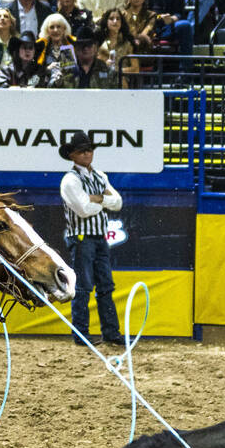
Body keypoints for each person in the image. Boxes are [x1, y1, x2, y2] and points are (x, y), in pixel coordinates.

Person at [58, 131, 126, 348]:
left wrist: (96, 199)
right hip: (82, 237)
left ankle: (111, 332)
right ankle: (81, 333)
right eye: (81, 151)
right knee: (84, 286)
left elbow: (118, 203)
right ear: (72, 155)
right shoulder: (70, 180)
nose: (87, 154)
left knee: (105, 285)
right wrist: (103, 200)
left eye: (89, 150)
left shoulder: (99, 175)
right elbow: (83, 209)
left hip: (98, 237)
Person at [52, 24, 116, 86]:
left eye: (89, 44)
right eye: (81, 44)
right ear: (76, 48)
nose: (85, 48)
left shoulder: (105, 69)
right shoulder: (66, 69)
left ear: (95, 47)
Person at [96, 5, 136, 76]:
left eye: (118, 19)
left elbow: (135, 68)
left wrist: (117, 71)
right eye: (111, 19)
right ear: (106, 21)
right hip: (102, 77)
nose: (115, 21)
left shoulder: (128, 43)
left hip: (121, 77)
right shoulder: (99, 42)